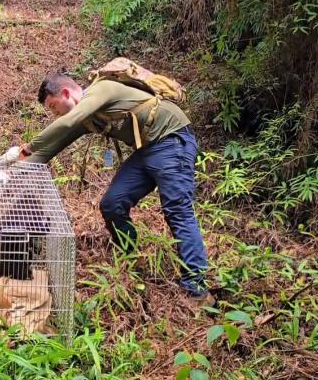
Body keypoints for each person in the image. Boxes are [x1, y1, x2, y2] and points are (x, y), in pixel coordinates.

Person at [16, 72, 210, 301]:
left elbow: (65, 123)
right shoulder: (88, 118)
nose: (53, 113)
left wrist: (29, 147)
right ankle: (131, 258)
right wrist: (13, 166)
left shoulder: (102, 89)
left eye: (53, 105)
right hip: (146, 150)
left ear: (66, 93)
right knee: (112, 204)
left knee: (178, 211)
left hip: (172, 140)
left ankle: (196, 286)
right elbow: (53, 146)